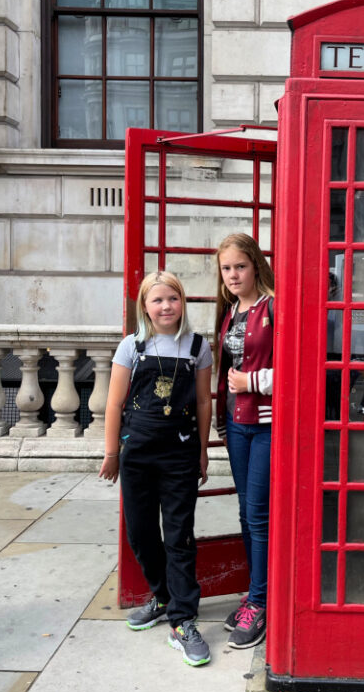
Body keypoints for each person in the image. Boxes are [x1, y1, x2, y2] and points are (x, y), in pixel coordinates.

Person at [99, 270, 213, 668]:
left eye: (173, 298)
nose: (166, 306)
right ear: (144, 307)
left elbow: (202, 403)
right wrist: (112, 452)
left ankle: (183, 621)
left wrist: (202, 452)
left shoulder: (197, 346)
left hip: (179, 453)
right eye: (157, 300)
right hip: (138, 453)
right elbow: (114, 404)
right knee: (141, 532)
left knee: (179, 536)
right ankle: (162, 595)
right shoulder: (132, 346)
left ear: (183, 302)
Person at [214, 233, 274, 650]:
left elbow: (303, 366)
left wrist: (252, 380)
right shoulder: (232, 311)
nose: (233, 275)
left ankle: (261, 600)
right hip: (236, 424)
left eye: (240, 266)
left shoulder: (275, 308)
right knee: (244, 511)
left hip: (268, 423)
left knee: (258, 514)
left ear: (255, 266)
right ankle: (257, 593)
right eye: (226, 268)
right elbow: (223, 370)